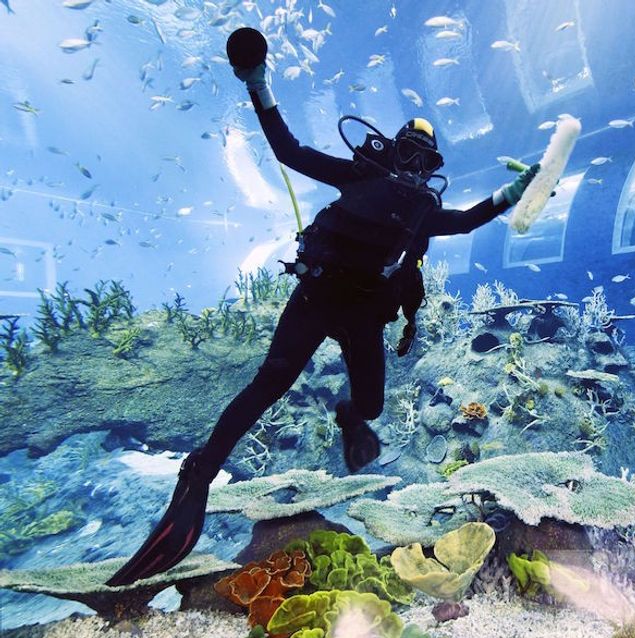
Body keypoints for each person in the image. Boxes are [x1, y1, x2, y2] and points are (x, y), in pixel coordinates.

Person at [105, 52, 539, 587]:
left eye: (424, 163)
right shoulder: (357, 174)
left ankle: (347, 416)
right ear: (390, 148)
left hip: (362, 315)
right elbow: (288, 150)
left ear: (431, 170)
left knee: (372, 406)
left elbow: (470, 218)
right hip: (315, 300)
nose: (412, 167)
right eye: (407, 153)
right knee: (269, 383)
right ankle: (200, 472)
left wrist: (511, 194)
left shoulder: (423, 210)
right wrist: (258, 83)